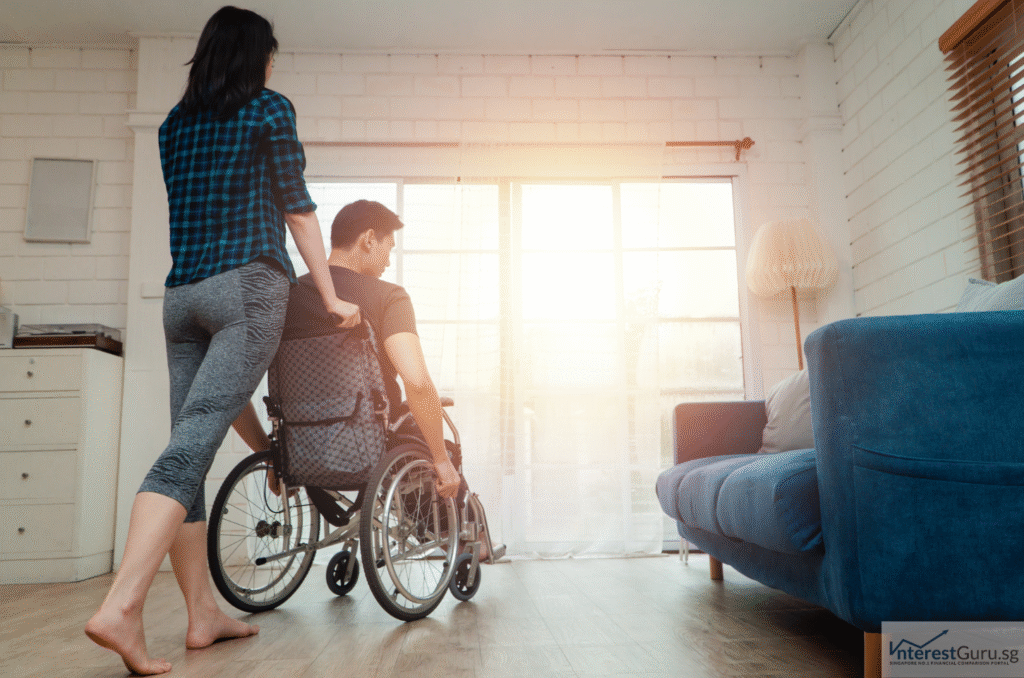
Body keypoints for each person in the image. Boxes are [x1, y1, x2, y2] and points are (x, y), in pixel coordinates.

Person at [84, 7, 357, 675]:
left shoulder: (174, 125)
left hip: (183, 299)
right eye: (270, 55)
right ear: (256, 58)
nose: (273, 66)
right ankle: (122, 606)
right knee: (188, 450)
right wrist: (328, 296)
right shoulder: (268, 109)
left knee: (191, 444)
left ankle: (202, 614)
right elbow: (298, 209)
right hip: (247, 287)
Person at [232, 200, 462, 501]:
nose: (388, 262)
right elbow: (416, 382)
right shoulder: (389, 296)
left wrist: (269, 453)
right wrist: (441, 459)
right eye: (388, 248)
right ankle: (463, 529)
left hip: (300, 449)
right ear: (369, 239)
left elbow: (231, 389)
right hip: (375, 444)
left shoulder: (282, 298)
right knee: (443, 450)